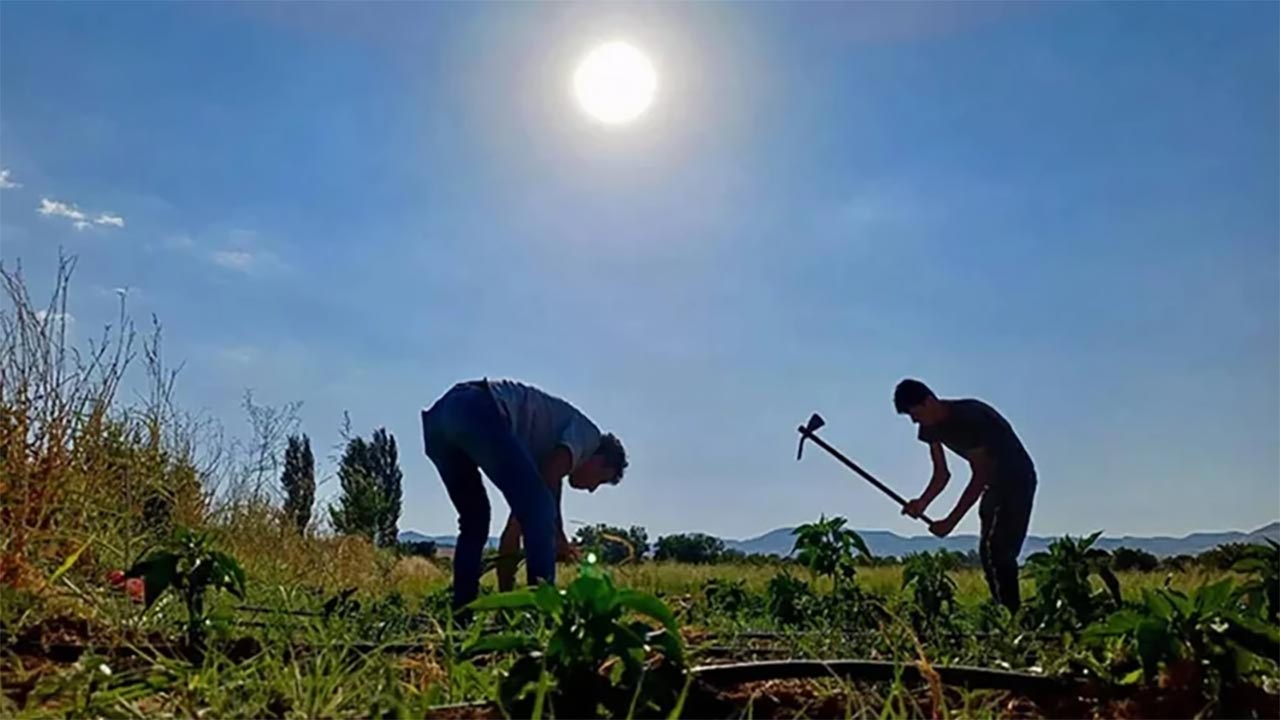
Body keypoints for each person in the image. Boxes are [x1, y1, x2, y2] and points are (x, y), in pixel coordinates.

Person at [421, 378, 627, 609]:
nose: (591, 489)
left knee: (476, 520)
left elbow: (515, 529)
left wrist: (506, 601)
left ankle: (462, 610)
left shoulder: (548, 456)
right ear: (599, 459)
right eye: (600, 479)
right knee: (539, 511)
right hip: (477, 407)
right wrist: (557, 536)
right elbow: (548, 481)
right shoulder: (590, 437)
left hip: (440, 420)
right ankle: (539, 611)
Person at [894, 379, 1036, 612]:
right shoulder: (929, 427)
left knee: (999, 550)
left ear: (930, 401)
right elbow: (942, 474)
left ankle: (1014, 617)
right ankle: (1003, 611)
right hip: (994, 485)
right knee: (986, 552)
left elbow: (980, 475)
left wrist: (950, 521)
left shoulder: (969, 418)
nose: (914, 421)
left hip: (1017, 480)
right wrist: (921, 503)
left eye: (915, 414)